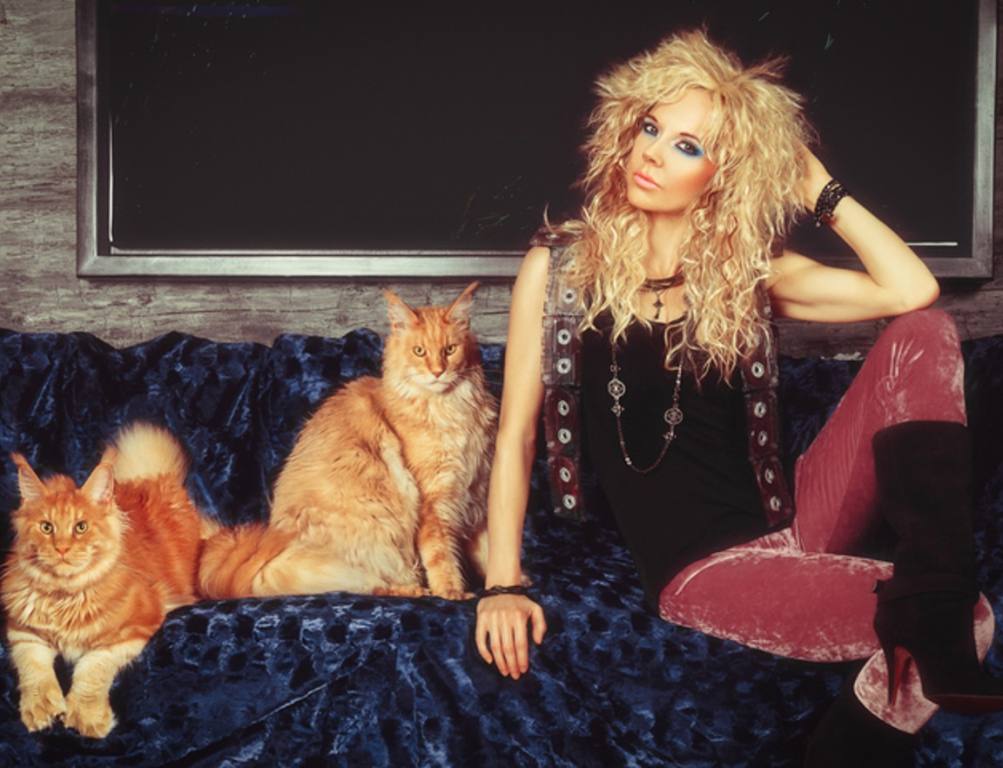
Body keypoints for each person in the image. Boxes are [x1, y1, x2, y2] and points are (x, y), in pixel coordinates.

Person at [472, 27, 1002, 766]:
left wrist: (816, 186)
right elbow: (517, 435)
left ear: (724, 175)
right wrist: (502, 583)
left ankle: (931, 589)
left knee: (925, 331)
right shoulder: (561, 271)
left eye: (688, 146)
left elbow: (910, 291)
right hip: (703, 569)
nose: (653, 153)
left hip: (793, 518)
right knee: (971, 621)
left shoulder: (750, 273)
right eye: (650, 129)